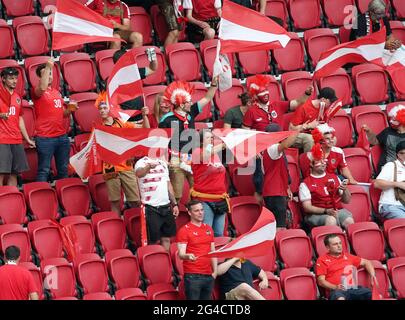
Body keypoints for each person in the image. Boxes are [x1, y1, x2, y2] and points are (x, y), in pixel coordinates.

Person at [242, 74, 312, 201]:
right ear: (256, 96)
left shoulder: (277, 104)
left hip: (281, 142)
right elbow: (244, 133)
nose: (266, 94)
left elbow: (297, 103)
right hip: (263, 147)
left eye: (266, 90)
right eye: (262, 92)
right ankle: (262, 203)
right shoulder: (251, 111)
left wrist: (306, 94)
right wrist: (253, 149)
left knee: (285, 166)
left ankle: (295, 183)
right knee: (259, 180)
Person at [159, 79, 218, 203]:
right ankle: (176, 215)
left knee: (197, 191)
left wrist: (213, 84)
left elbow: (207, 98)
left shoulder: (190, 112)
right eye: (189, 101)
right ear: (181, 105)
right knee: (177, 195)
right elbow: (161, 142)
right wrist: (164, 160)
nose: (191, 103)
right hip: (176, 160)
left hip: (193, 159)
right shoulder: (166, 120)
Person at [96, 92, 140, 215]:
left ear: (111, 109)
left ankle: (138, 225)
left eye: (105, 108)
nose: (102, 111)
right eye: (100, 109)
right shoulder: (98, 128)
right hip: (110, 168)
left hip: (126, 165)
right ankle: (117, 226)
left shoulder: (122, 123)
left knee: (135, 200)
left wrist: (145, 116)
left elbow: (140, 133)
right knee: (115, 201)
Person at [32, 60, 72, 182]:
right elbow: (43, 87)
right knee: (44, 170)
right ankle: (41, 198)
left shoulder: (56, 92)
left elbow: (62, 114)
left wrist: (70, 110)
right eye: (45, 74)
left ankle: (63, 197)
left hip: (61, 136)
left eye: (50, 73)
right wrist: (49, 66)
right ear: (39, 77)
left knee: (64, 169)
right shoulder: (37, 90)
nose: (49, 76)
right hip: (45, 137)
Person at [299, 143, 355, 229]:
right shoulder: (305, 183)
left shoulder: (334, 177)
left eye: (323, 160)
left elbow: (347, 200)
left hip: (336, 210)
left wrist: (345, 190)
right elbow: (307, 207)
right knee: (331, 220)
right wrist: (326, 211)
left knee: (349, 221)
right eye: (318, 161)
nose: (322, 163)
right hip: (317, 214)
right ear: (311, 164)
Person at [135, 156, 179, 251]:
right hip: (150, 207)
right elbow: (138, 173)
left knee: (166, 238)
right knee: (153, 241)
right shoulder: (141, 162)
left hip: (166, 206)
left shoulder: (162, 163)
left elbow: (168, 184)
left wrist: (174, 204)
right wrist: (148, 167)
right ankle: (154, 262)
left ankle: (165, 262)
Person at [0, 67, 35, 186]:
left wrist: (27, 138)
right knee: (1, 174)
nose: (14, 81)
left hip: (16, 139)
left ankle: (12, 201)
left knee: (14, 174)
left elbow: (19, 119)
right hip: (2, 139)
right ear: (3, 79)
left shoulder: (17, 96)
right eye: (11, 78)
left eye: (16, 78)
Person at [177, 200, 217, 300]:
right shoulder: (184, 230)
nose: (200, 213)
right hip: (193, 276)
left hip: (208, 275)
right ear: (189, 213)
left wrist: (215, 272)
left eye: (202, 210)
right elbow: (181, 254)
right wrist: (187, 256)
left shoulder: (208, 228)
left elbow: (213, 252)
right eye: (196, 211)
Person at [191, 130, 228, 237]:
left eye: (212, 137)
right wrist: (222, 145)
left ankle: (216, 254)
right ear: (201, 141)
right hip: (205, 200)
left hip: (220, 199)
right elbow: (205, 156)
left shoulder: (215, 154)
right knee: (206, 234)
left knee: (218, 234)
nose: (211, 139)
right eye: (208, 138)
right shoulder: (197, 152)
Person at [316, 234, 376, 300]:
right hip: (336, 291)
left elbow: (366, 262)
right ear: (328, 247)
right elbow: (321, 281)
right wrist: (335, 287)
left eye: (340, 243)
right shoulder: (322, 260)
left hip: (353, 289)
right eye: (335, 244)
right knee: (340, 298)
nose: (339, 246)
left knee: (373, 295)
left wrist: (372, 276)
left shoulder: (348, 256)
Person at [263, 124, 298, 231]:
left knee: (278, 226)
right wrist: (297, 130)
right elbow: (286, 145)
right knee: (280, 228)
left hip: (275, 191)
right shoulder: (272, 148)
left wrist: (286, 187)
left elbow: (282, 171)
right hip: (275, 193)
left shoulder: (269, 148)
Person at [111, 48, 158, 126]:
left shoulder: (135, 72)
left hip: (142, 119)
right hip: (126, 123)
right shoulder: (112, 80)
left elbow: (152, 69)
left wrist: (152, 56)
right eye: (129, 59)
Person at [289, 87, 338, 153]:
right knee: (310, 139)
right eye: (330, 101)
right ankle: (310, 161)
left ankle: (326, 160)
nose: (331, 104)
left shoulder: (325, 108)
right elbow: (291, 129)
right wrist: (309, 125)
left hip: (315, 133)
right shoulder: (304, 107)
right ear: (323, 99)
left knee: (332, 138)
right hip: (299, 134)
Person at [362, 105, 405, 172]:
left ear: (401, 121)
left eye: (394, 120)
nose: (390, 121)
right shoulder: (387, 131)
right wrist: (369, 131)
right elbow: (374, 142)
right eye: (391, 119)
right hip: (388, 166)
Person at [374, 141, 405, 219]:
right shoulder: (391, 166)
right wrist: (398, 184)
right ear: (398, 154)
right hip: (391, 205)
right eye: (403, 153)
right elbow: (377, 184)